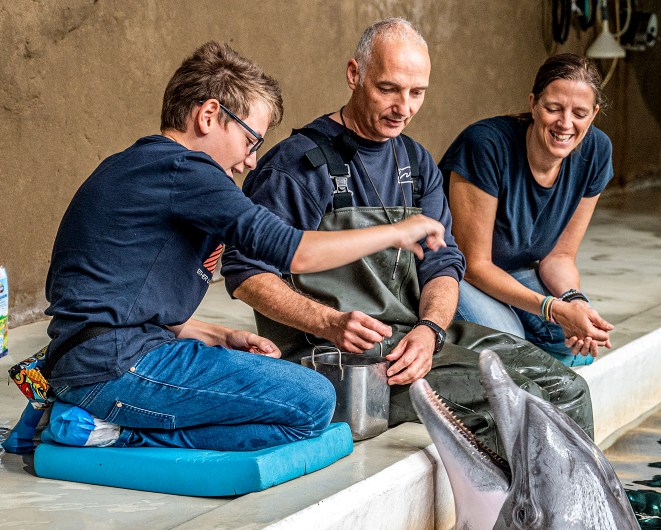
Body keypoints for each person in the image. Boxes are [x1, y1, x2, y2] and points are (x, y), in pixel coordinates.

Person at [43, 41, 445, 451]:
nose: (251, 161)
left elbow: (120, 303)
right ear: (209, 115)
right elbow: (295, 251)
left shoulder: (138, 164)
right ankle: (115, 430)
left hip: (90, 359)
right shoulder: (186, 169)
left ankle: (98, 416)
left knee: (285, 388)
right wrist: (397, 232)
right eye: (251, 140)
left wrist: (217, 335)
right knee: (314, 401)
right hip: (114, 368)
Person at [221, 18, 594, 452]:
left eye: (417, 93)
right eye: (389, 89)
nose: (404, 107)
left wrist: (431, 328)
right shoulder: (299, 166)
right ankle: (520, 515)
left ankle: (572, 518)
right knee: (514, 404)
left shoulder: (416, 163)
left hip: (414, 337)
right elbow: (245, 274)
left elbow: (443, 263)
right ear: (353, 74)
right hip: (341, 357)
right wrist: (329, 322)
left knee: (567, 387)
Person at [439, 54, 615, 367]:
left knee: (576, 345)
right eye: (553, 108)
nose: (565, 123)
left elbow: (560, 257)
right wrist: (552, 308)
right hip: (456, 271)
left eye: (580, 113)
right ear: (533, 103)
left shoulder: (597, 152)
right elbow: (474, 263)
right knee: (511, 347)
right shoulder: (485, 145)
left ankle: (497, 351)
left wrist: (575, 302)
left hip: (514, 268)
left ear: (594, 115)